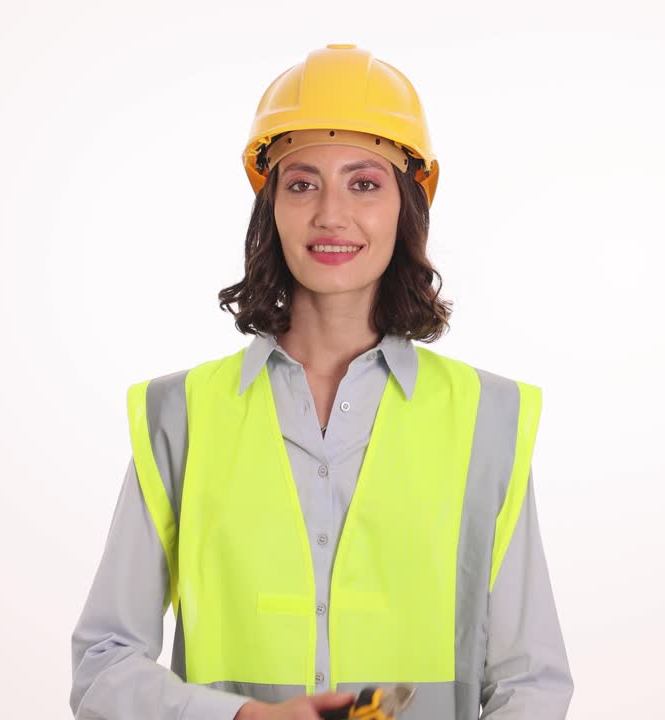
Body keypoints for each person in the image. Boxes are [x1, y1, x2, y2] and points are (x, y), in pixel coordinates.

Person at [70, 44, 573, 719]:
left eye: (364, 182)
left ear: (407, 205)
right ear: (270, 205)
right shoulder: (182, 414)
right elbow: (102, 665)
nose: (331, 214)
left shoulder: (486, 416)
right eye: (302, 182)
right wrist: (242, 718)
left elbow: (530, 681)